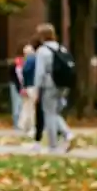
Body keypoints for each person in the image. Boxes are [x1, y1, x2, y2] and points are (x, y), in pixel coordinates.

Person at [33, 23, 74, 153]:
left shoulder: (42, 51)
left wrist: (36, 89)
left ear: (41, 36)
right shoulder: (61, 48)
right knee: (55, 113)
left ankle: (54, 145)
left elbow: (39, 72)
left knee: (49, 114)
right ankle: (66, 134)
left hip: (49, 85)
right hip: (63, 85)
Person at [16, 44, 36, 135]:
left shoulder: (26, 62)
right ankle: (31, 127)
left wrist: (23, 87)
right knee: (32, 108)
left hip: (27, 87)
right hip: (33, 87)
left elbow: (22, 76)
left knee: (26, 107)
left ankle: (23, 125)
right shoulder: (34, 60)